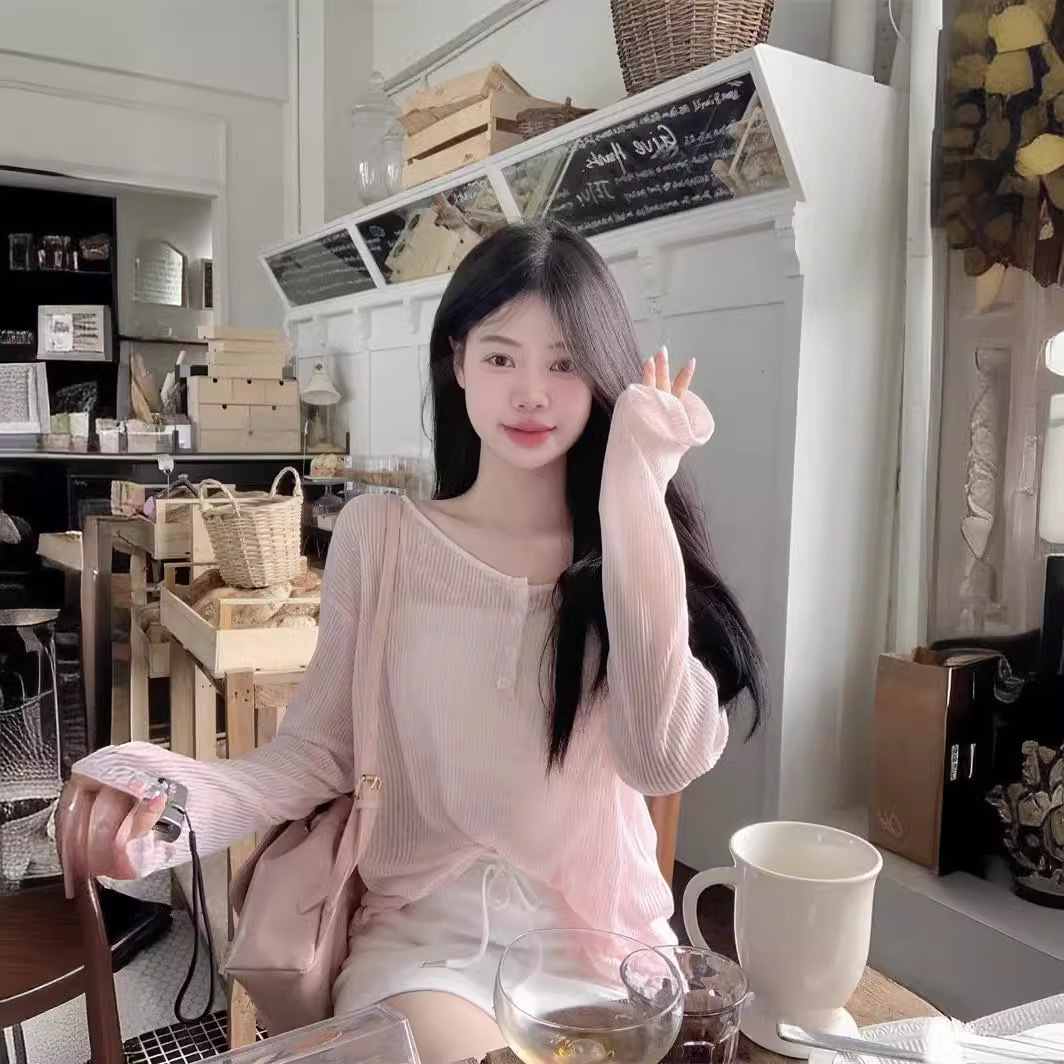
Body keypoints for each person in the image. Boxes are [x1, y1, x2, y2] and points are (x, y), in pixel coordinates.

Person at [58, 221, 766, 1064]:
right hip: (427, 943)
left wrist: (635, 495)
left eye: (564, 363)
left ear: (601, 376)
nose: (531, 393)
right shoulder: (382, 538)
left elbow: (659, 759)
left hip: (600, 953)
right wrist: (174, 805)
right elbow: (316, 753)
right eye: (501, 357)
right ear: (458, 361)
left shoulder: (629, 554)